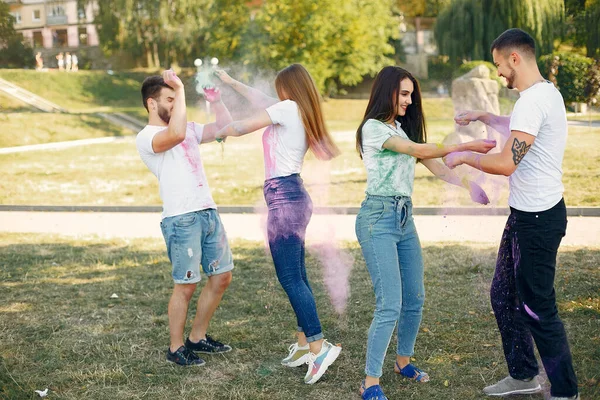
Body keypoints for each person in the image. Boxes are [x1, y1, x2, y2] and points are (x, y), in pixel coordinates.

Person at [445, 28, 579, 400]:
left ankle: (566, 392)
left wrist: (464, 155)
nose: (499, 72)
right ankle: (524, 375)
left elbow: (506, 163)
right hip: (526, 216)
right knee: (504, 295)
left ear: (514, 58)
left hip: (537, 220)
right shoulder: (543, 94)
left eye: (499, 65)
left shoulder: (533, 101)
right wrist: (486, 115)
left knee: (539, 306)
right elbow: (523, 132)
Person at [355, 66, 495, 400]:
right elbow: (420, 152)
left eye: (411, 95)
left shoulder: (401, 129)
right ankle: (369, 383)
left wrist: (469, 185)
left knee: (415, 296)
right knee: (390, 302)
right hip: (378, 218)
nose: (408, 100)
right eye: (403, 93)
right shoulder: (373, 129)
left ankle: (403, 362)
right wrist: (469, 146)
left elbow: (435, 167)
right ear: (386, 91)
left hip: (404, 218)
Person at [214, 64, 342, 385]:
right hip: (292, 196)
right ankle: (303, 345)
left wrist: (220, 130)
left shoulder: (286, 108)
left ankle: (318, 345)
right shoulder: (296, 108)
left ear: (287, 89)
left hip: (285, 199)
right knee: (297, 275)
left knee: (289, 277)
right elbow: (258, 97)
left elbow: (243, 127)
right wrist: (230, 81)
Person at [136, 69, 235, 366]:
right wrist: (180, 88)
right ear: (152, 104)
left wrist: (216, 101)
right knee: (187, 284)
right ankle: (176, 347)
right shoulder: (147, 137)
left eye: (176, 97)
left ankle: (197, 338)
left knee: (222, 277)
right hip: (181, 219)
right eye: (170, 99)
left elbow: (226, 127)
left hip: (207, 211)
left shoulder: (188, 127)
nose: (177, 102)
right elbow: (176, 134)